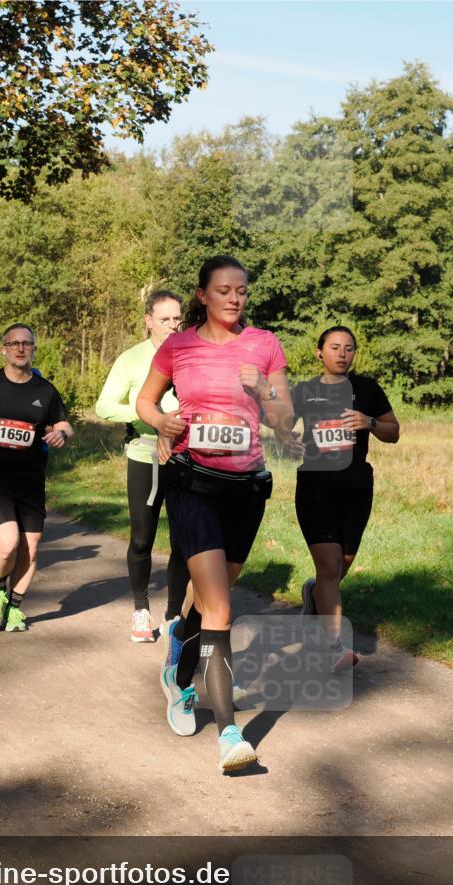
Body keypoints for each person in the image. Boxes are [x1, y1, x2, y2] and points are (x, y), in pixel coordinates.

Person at [137, 255, 298, 774]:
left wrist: (264, 389)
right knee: (222, 608)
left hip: (246, 486)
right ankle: (230, 733)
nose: (234, 298)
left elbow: (283, 420)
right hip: (192, 482)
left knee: (210, 603)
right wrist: (162, 422)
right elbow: (146, 401)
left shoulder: (265, 345)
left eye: (242, 291)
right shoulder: (178, 345)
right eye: (224, 290)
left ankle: (177, 659)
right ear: (202, 295)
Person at [292, 325, 400, 670]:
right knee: (329, 566)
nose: (342, 353)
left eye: (349, 348)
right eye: (335, 347)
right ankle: (333, 648)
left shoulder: (367, 389)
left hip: (355, 489)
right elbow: (278, 424)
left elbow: (393, 432)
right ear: (319, 353)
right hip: (315, 487)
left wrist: (369, 422)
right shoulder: (305, 390)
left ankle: (314, 594)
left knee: (341, 567)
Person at [0, 323, 73, 632]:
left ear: (33, 349)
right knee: (8, 542)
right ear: (4, 349)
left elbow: (63, 424)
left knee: (32, 548)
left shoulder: (45, 390)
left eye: (27, 343)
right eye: (14, 343)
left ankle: (14, 608)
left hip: (31, 478)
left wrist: (61, 434)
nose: (21, 348)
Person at [96, 291, 190, 642]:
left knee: (183, 540)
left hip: (185, 457)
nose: (172, 325)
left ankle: (173, 615)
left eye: (176, 318)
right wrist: (149, 415)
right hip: (146, 455)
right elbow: (105, 406)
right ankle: (140, 610)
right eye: (164, 319)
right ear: (148, 320)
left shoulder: (192, 353)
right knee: (141, 538)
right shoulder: (131, 359)